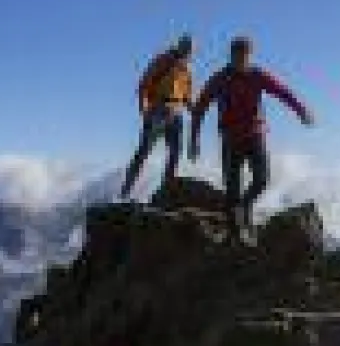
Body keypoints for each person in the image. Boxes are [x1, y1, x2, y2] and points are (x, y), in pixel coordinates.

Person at [188, 35, 314, 243]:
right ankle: (234, 234)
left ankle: (245, 206)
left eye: (244, 57)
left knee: (262, 179)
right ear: (231, 56)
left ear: (250, 56)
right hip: (231, 138)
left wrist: (301, 110)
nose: (240, 61)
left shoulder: (258, 75)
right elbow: (200, 107)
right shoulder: (220, 78)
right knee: (232, 187)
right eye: (237, 57)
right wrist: (194, 139)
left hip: (255, 135)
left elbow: (283, 92)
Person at [121, 34, 195, 201]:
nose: (187, 52)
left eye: (190, 49)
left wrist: (196, 110)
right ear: (179, 46)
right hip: (158, 110)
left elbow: (187, 97)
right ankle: (125, 192)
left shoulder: (187, 70)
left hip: (176, 113)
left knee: (175, 153)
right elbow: (144, 83)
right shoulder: (164, 60)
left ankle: (166, 191)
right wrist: (144, 109)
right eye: (185, 47)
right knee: (144, 152)